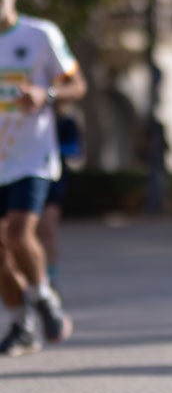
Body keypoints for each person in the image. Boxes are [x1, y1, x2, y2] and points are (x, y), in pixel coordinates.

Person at [0, 0, 88, 357]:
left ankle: (44, 296)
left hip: (31, 157)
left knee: (20, 234)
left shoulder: (40, 35)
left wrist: (45, 95)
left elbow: (77, 84)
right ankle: (21, 325)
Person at [37, 109, 84, 293]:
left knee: (47, 228)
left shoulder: (65, 121)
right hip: (20, 176)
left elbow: (74, 149)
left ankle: (50, 276)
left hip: (53, 178)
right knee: (23, 233)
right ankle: (33, 276)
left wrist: (50, 148)